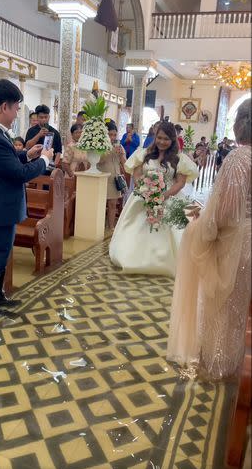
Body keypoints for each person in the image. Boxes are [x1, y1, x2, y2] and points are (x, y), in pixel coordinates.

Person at [167, 99, 251, 380]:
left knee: (223, 306)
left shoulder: (240, 159)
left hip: (237, 244)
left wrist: (201, 226)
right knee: (239, 307)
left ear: (242, 123)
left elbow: (225, 213)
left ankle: (218, 364)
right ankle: (233, 358)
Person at [0, 79, 53, 316]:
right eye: (17, 108)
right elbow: (18, 175)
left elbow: (4, 165)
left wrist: (25, 154)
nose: (17, 113)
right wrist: (44, 160)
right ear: (4, 107)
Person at [109, 122, 198, 276]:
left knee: (177, 226)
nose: (162, 142)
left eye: (166, 139)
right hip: (144, 196)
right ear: (155, 137)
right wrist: (145, 190)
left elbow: (180, 182)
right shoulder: (144, 154)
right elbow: (136, 175)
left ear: (173, 140)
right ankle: (134, 259)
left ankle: (166, 262)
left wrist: (163, 196)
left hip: (170, 196)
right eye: (159, 138)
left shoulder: (179, 158)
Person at [97, 121, 126, 229]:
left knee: (113, 204)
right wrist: (110, 151)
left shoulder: (119, 146)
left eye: (114, 135)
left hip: (115, 179)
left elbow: (125, 163)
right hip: (103, 178)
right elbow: (98, 161)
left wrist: (121, 155)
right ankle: (99, 227)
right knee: (101, 204)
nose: (112, 137)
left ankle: (111, 226)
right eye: (110, 134)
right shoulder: (100, 145)